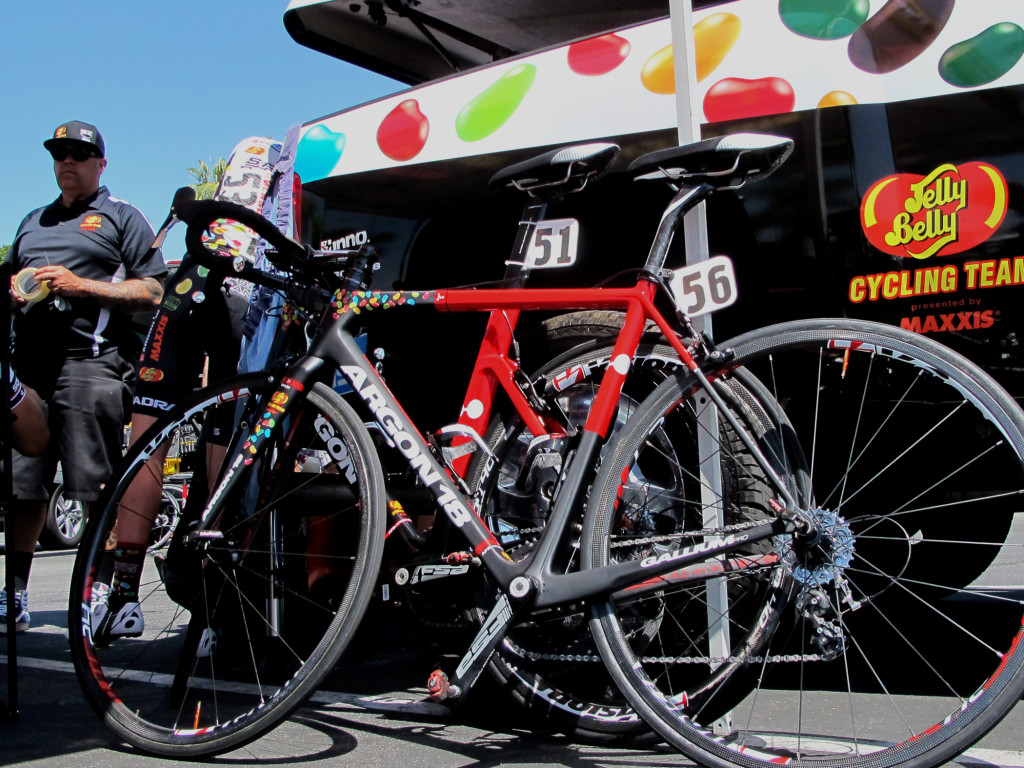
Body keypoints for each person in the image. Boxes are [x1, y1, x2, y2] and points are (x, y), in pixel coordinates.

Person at [90, 136, 283, 644]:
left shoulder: (249, 151)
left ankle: (123, 598)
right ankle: (212, 610)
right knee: (222, 446)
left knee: (147, 443)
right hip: (243, 292)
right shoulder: (291, 160)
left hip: (189, 287)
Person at [0, 121, 167, 634]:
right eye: (59, 153)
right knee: (22, 488)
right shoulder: (32, 221)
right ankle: (16, 595)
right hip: (29, 370)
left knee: (94, 487)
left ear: (100, 163)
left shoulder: (121, 217)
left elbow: (154, 291)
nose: (67, 161)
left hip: (90, 365)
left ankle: (98, 594)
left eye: (79, 153)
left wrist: (80, 285)